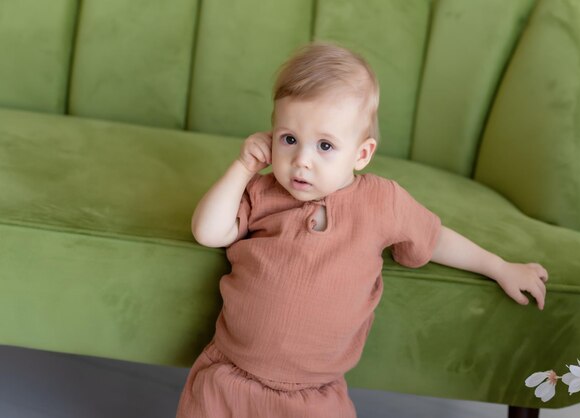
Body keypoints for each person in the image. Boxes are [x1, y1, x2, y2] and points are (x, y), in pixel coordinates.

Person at [176, 42, 549, 418]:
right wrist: (243, 167)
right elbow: (209, 231)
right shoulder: (262, 191)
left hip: (315, 396)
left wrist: (499, 266)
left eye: (325, 145)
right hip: (229, 380)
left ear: (361, 154)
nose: (301, 161)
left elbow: (434, 237)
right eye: (289, 139)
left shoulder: (381, 201)